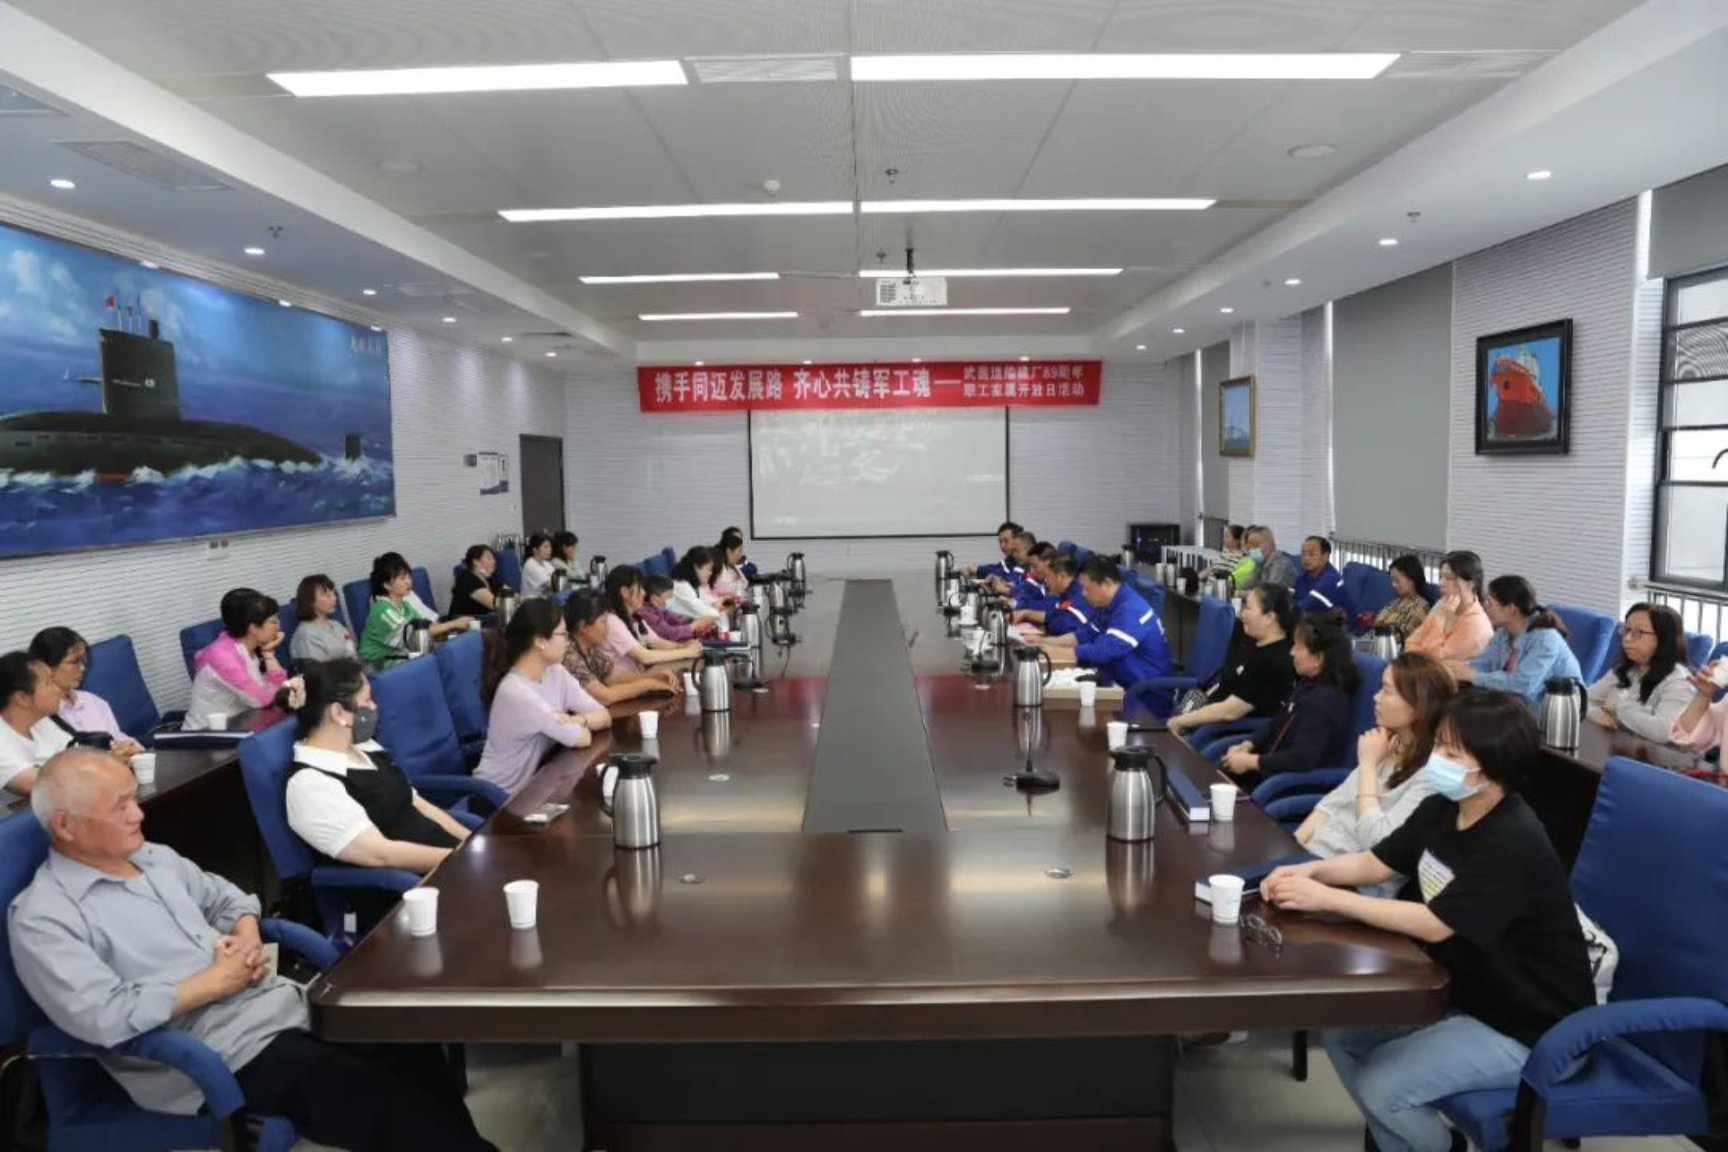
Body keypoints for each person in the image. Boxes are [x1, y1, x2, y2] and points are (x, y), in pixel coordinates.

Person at [9, 748, 498, 1151]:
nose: (139, 814)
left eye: (134, 798)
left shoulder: (153, 858)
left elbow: (228, 899)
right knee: (374, 1097)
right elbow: (103, 1016)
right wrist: (213, 983)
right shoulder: (46, 916)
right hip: (211, 1054)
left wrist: (246, 934)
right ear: (65, 826)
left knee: (407, 1042)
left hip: (277, 1003)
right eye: (120, 807)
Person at [1265, 694, 1592, 1152]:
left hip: (1532, 1028)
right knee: (1343, 1036)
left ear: (1493, 766)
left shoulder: (1514, 839)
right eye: (1438, 744)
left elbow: (1436, 924)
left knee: (1382, 1086)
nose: (1436, 758)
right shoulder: (1444, 807)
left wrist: (1327, 897)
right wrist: (1309, 872)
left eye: (1452, 753)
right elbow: (1377, 862)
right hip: (1469, 998)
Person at [284, 660, 470, 926]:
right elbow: (381, 854)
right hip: (406, 898)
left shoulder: (364, 746)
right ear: (339, 712)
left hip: (445, 867)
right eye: (367, 701)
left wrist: (472, 841)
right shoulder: (309, 784)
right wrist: (460, 859)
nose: (374, 708)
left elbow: (418, 804)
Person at [1296, 653, 1456, 878]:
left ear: (1417, 706)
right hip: (1312, 859)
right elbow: (1332, 804)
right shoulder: (1388, 741)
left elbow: (1379, 844)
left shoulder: (1430, 777)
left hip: (1352, 882)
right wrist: (1293, 848)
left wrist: (1368, 766)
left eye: (1387, 691)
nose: (1375, 697)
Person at [475, 600, 611, 795]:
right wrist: (579, 725)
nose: (568, 641)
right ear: (540, 640)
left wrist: (578, 720)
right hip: (496, 796)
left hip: (531, 787)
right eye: (563, 634)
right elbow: (582, 738)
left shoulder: (555, 671)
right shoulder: (516, 691)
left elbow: (604, 715)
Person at [1220, 611, 1359, 790]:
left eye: (1298, 647)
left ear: (1318, 658)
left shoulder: (1324, 701)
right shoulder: (1308, 684)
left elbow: (1301, 758)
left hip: (1286, 790)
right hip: (1269, 776)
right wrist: (1248, 744)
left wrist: (1251, 762)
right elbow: (1277, 723)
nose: (1291, 652)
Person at [1166, 585, 1298, 739]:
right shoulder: (1252, 643)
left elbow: (1230, 711)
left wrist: (1179, 722)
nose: (1242, 613)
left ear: (1269, 617)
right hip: (1208, 721)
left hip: (1225, 736)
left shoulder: (1272, 660)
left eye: (1248, 608)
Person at [1449, 575, 1581, 707]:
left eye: (1490, 603)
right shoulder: (1503, 632)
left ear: (1511, 608)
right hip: (1516, 702)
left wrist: (1474, 676)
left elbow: (1523, 685)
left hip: (1553, 709)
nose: (1485, 606)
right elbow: (1483, 663)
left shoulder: (1545, 638)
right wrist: (1451, 670)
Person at [28, 627, 143, 760]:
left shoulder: (93, 701)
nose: (82, 668)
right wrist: (110, 760)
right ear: (45, 667)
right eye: (74, 662)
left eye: (83, 661)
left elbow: (118, 737)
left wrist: (134, 750)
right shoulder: (38, 717)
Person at [1058, 556, 1172, 689]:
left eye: (1087, 588)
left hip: (1144, 692)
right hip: (1117, 680)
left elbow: (1103, 652)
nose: (1083, 593)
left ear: (1106, 584)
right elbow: (1086, 635)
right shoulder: (1108, 604)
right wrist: (1045, 643)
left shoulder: (1130, 609)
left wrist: (1052, 653)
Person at [186, 589, 292, 731]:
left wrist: (268, 653)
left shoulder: (245, 648)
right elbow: (262, 700)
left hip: (240, 725)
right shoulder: (221, 657)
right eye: (273, 622)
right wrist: (279, 690)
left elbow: (280, 691)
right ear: (253, 628)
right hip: (205, 735)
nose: (279, 626)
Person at [1586, 603, 1691, 740]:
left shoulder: (1679, 681)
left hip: (1653, 753)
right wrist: (1595, 714)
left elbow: (1663, 732)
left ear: (1663, 638)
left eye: (1638, 633)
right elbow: (1580, 699)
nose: (1627, 638)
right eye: (1626, 630)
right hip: (1618, 745)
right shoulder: (1625, 669)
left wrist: (1617, 706)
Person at [562, 592, 684, 705]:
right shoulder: (568, 653)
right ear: (583, 627)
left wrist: (654, 676)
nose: (608, 627)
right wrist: (649, 684)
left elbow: (614, 678)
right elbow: (605, 697)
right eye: (603, 622)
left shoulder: (589, 648)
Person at [360, 554, 467, 667]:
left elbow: (427, 627)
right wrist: (454, 624)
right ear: (387, 585)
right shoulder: (382, 609)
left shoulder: (405, 606)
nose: (408, 582)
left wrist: (453, 633)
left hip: (403, 652)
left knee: (452, 646)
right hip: (379, 662)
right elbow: (416, 636)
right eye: (402, 578)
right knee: (435, 657)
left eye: (408, 577)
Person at [603, 566, 703, 673]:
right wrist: (686, 652)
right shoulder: (612, 621)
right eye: (640, 588)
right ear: (624, 592)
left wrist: (683, 646)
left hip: (639, 673)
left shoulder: (635, 616)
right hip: (629, 679)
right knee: (694, 665)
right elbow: (645, 657)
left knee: (697, 662)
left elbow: (656, 642)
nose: (644, 593)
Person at [0, 652, 71, 795]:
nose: (58, 689)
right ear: (22, 698)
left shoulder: (41, 721)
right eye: (49, 683)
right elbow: (39, 784)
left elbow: (79, 751)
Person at [1404, 551, 1492, 663]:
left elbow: (1431, 661)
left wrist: (1441, 624)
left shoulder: (1476, 625)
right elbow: (1411, 642)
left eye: (1449, 578)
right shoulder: (1443, 604)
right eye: (1441, 577)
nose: (1441, 583)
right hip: (1416, 667)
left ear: (1471, 583)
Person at [1013, 553, 1092, 638]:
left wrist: (1042, 638)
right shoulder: (1066, 593)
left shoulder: (1078, 598)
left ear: (1061, 576)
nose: (1046, 582)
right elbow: (1052, 614)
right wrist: (1026, 613)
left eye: (1048, 577)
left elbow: (1062, 628)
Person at [288, 574, 357, 667]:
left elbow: (352, 655)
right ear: (310, 600)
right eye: (327, 595)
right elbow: (319, 673)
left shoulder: (336, 625)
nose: (334, 598)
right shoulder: (306, 636)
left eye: (333, 593)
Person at [1373, 555, 1435, 640]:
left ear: (1411, 578)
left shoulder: (1421, 607)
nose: (1393, 585)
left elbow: (1401, 636)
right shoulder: (1395, 602)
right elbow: (1376, 625)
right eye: (1392, 581)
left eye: (1397, 580)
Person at [640, 575, 717, 641]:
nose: (671, 597)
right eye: (668, 595)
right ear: (654, 598)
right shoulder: (647, 614)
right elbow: (670, 633)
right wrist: (694, 625)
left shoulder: (658, 609)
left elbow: (677, 620)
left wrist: (697, 624)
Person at [1292, 536, 1353, 617]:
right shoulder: (1303, 576)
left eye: (1311, 554)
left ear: (1325, 556)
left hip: (1339, 624)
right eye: (1303, 554)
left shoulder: (1331, 580)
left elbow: (1303, 607)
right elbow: (1287, 598)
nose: (1306, 558)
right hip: (1314, 619)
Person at [670, 546, 727, 621]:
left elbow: (706, 599)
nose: (710, 573)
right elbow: (706, 613)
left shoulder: (693, 584)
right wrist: (719, 609)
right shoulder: (682, 586)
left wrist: (715, 603)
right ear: (696, 566)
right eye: (708, 569)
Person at [449, 544, 504, 618]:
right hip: (463, 623)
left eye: (493, 558)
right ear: (476, 561)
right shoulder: (468, 580)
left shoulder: (488, 578)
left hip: (482, 620)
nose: (494, 562)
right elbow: (496, 605)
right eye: (489, 558)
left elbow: (510, 592)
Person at [1239, 526, 1297, 592]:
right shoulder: (1260, 563)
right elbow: (1248, 584)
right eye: (1249, 547)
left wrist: (1245, 594)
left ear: (1268, 545)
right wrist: (1237, 590)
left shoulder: (1280, 564)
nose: (1251, 550)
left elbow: (1270, 592)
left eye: (1255, 545)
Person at [711, 528, 752, 599]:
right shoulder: (717, 567)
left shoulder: (733, 566)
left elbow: (745, 583)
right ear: (729, 551)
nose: (741, 555)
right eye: (739, 551)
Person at [519, 532, 557, 599]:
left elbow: (558, 580)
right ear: (535, 550)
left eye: (550, 547)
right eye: (546, 547)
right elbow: (554, 586)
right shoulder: (531, 565)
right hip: (531, 602)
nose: (550, 550)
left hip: (544, 600)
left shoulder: (546, 564)